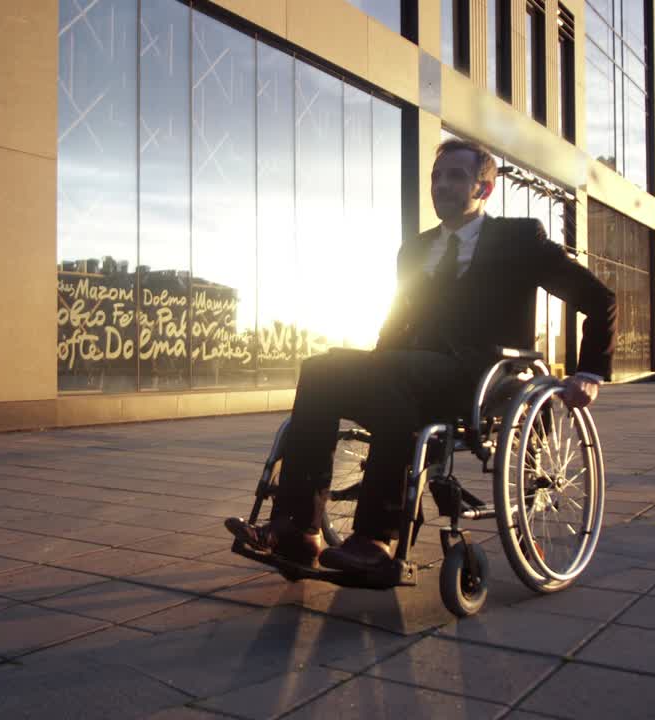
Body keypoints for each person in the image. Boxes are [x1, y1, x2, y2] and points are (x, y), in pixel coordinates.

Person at [227, 138, 616, 574]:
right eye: (436, 176)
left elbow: (599, 299)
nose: (441, 185)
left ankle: (376, 540)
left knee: (393, 374)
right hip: (408, 370)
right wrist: (367, 365)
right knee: (320, 370)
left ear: (483, 190)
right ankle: (299, 530)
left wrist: (588, 373)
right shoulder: (414, 250)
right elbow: (398, 321)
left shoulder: (518, 239)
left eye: (456, 176)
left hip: (480, 373)